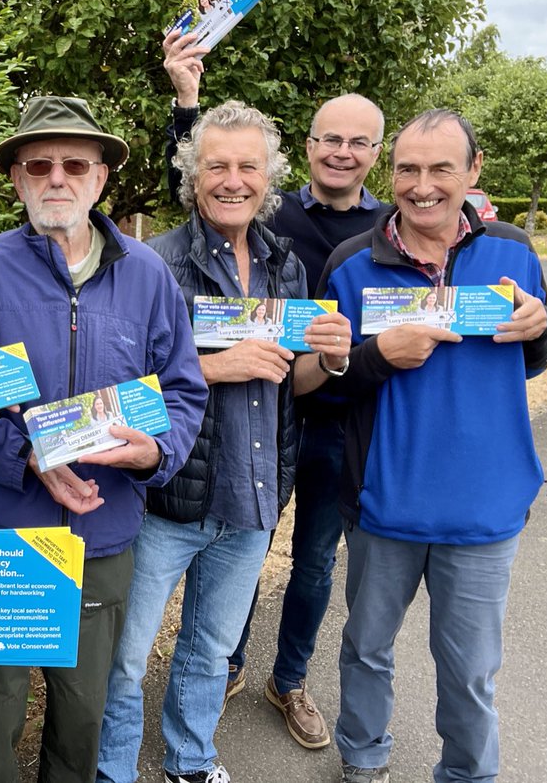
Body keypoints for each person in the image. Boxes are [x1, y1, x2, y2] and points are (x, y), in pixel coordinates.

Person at [0, 95, 209, 783]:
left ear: (101, 178)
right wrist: (25, 456)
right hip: (4, 533)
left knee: (84, 713)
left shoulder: (148, 276)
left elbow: (182, 392)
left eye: (75, 164)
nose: (57, 178)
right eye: (40, 165)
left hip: (104, 530)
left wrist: (155, 452)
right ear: (18, 178)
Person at [98, 101, 352, 783]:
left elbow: (286, 384)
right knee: (126, 656)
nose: (233, 179)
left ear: (269, 176)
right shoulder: (150, 264)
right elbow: (116, 390)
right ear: (193, 174)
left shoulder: (286, 267)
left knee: (210, 650)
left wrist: (325, 359)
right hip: (166, 499)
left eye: (249, 166)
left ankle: (190, 761)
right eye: (217, 165)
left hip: (252, 496)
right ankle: (113, 770)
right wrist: (215, 366)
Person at [163, 28, 389, 749]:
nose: (342, 152)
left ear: (374, 154)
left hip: (331, 413)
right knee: (240, 551)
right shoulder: (270, 215)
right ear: (311, 146)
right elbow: (203, 176)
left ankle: (286, 679)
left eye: (358, 142)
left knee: (314, 561)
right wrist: (186, 97)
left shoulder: (385, 228)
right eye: (330, 138)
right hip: (254, 420)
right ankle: (223, 661)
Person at [319, 109, 547, 783]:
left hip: (484, 511)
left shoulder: (514, 251)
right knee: (365, 649)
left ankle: (467, 774)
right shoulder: (352, 266)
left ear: (473, 173)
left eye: (440, 169)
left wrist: (539, 328)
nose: (422, 186)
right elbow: (323, 388)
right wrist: (379, 357)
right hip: (383, 504)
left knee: (471, 670)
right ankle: (363, 762)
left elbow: (535, 356)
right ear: (390, 174)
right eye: (408, 170)